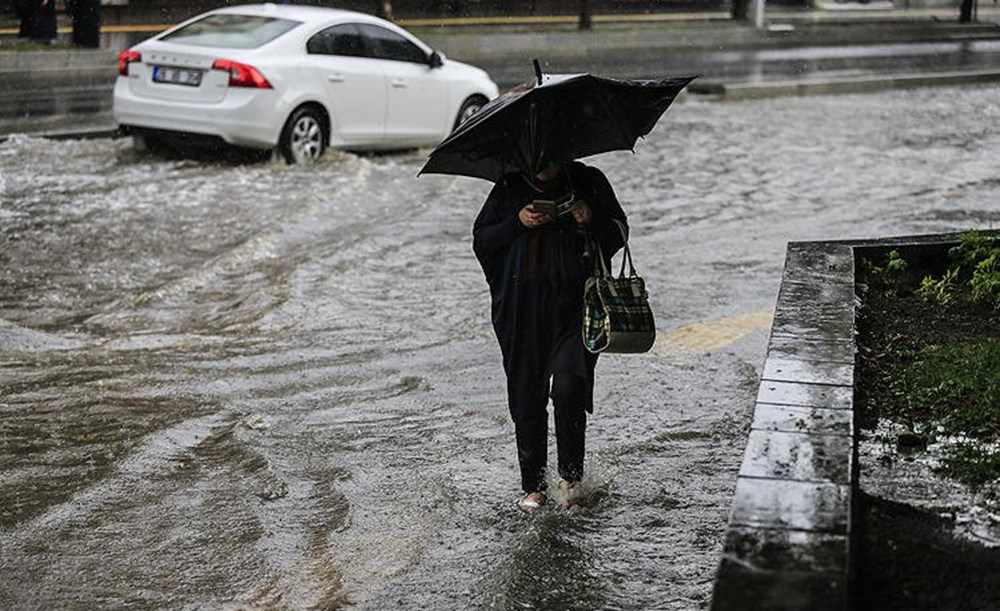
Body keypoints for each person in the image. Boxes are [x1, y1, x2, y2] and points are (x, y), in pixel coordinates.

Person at [472, 160, 627, 512]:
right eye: (539, 160)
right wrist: (518, 222)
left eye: (553, 156)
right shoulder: (509, 189)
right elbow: (482, 241)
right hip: (521, 314)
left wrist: (590, 219)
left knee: (570, 386)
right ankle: (534, 487)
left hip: (578, 310)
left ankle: (571, 479)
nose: (546, 165)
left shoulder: (587, 180)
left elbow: (620, 232)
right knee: (527, 397)